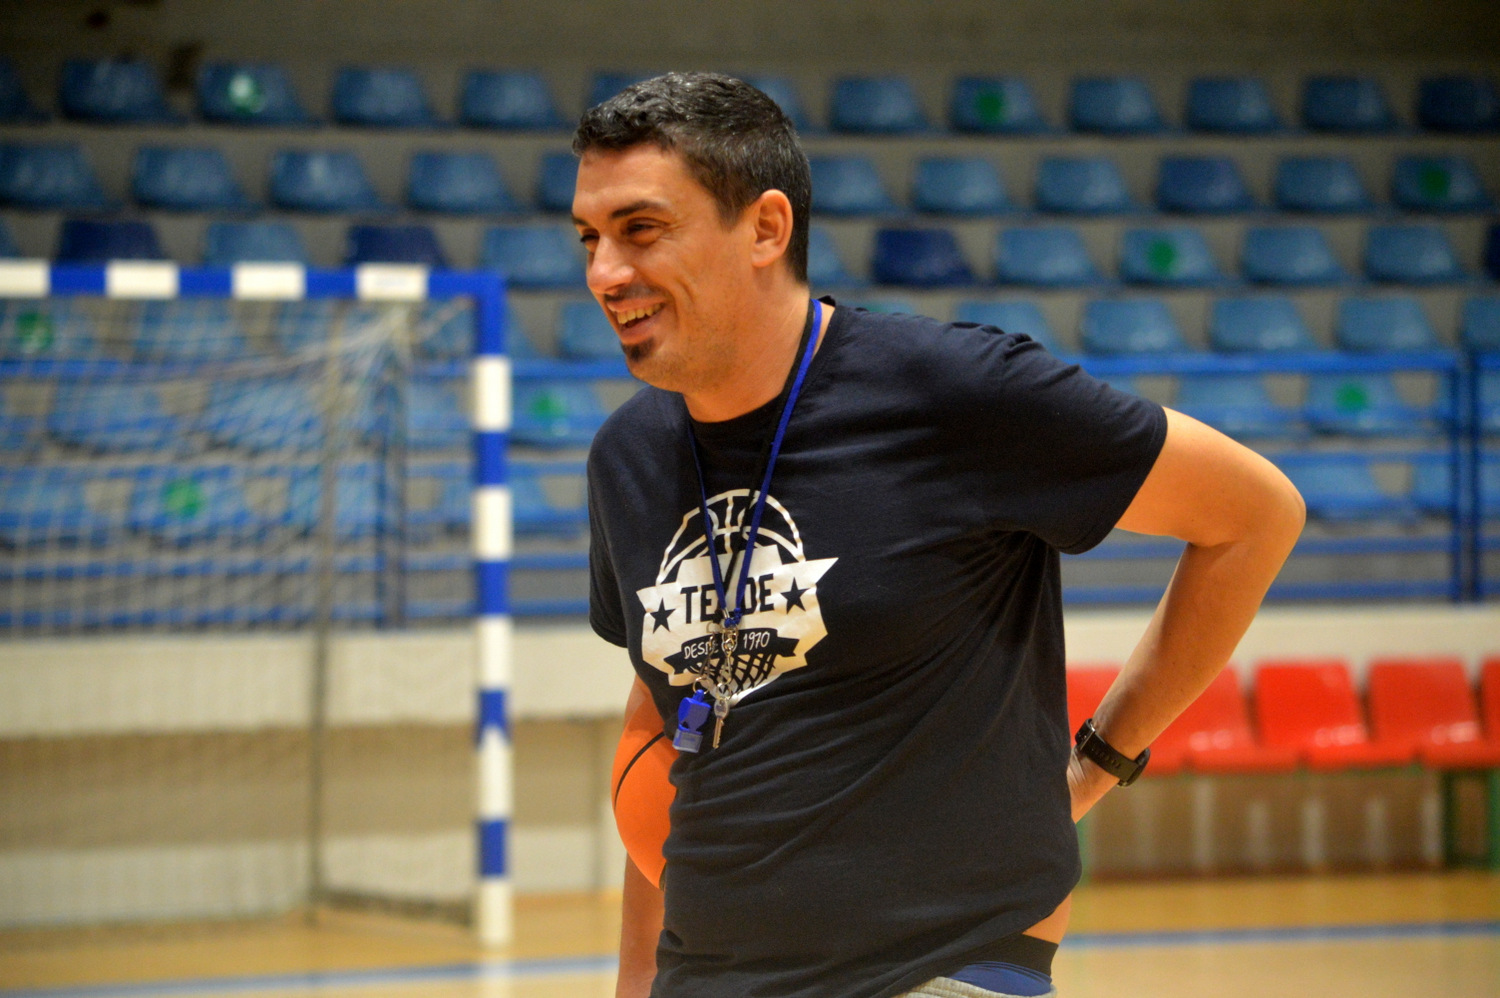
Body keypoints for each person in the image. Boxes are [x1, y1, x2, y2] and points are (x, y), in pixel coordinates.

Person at [572, 72, 1304, 998]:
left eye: (640, 230)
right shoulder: (627, 457)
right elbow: (667, 719)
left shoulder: (958, 394)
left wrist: (1100, 762)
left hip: (943, 969)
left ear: (764, 228)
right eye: (589, 239)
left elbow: (1254, 516)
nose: (605, 273)